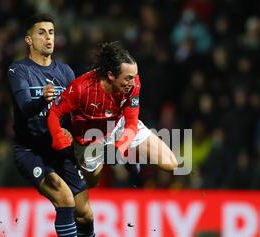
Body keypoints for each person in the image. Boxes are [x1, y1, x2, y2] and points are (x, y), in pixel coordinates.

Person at [7, 14, 110, 237]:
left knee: (85, 214)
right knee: (64, 199)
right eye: (41, 33)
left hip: (60, 149)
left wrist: (80, 137)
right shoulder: (19, 70)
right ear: (29, 39)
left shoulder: (65, 72)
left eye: (51, 32)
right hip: (31, 151)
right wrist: (43, 97)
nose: (48, 37)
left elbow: (75, 114)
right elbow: (23, 107)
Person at [47, 41, 178, 187]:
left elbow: (132, 123)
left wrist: (119, 148)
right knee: (92, 183)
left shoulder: (133, 85)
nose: (133, 82)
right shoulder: (81, 89)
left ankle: (130, 156)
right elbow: (53, 112)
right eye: (128, 78)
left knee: (171, 164)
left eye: (134, 76)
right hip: (89, 138)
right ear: (110, 75)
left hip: (118, 125)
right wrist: (59, 140)